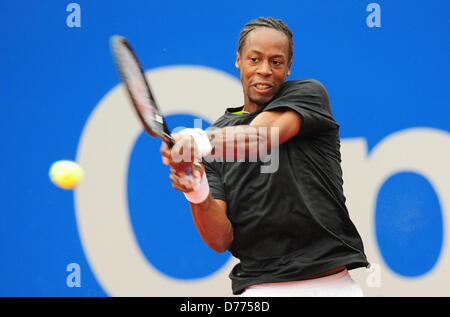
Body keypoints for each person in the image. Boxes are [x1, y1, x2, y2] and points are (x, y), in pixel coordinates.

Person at [160, 17, 369, 296]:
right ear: (239, 61)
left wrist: (196, 141)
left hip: (332, 287)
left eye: (276, 62)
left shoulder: (308, 94)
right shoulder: (215, 140)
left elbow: (260, 138)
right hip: (259, 291)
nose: (265, 70)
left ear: (288, 67)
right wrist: (196, 190)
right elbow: (221, 239)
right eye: (255, 59)